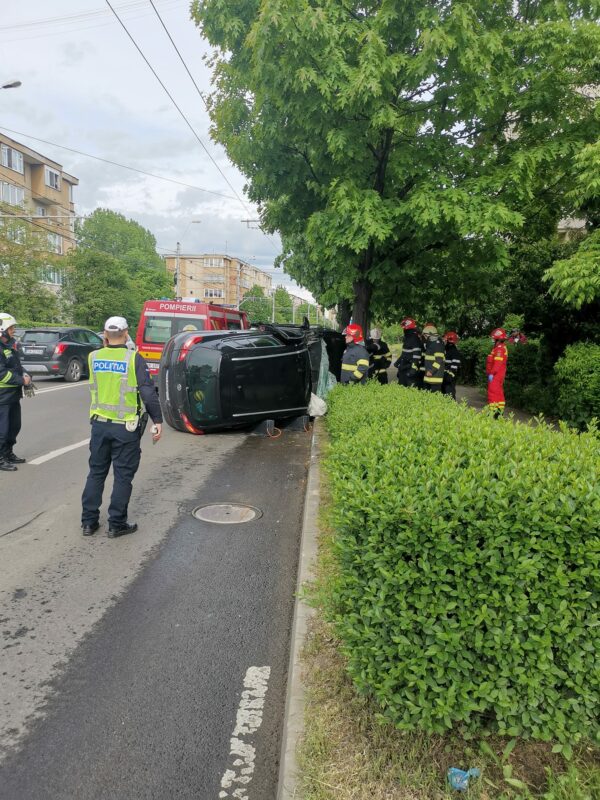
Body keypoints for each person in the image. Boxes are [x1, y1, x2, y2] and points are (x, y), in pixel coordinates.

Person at [81, 316, 163, 538]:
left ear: (105, 334)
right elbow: (147, 392)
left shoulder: (93, 357)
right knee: (123, 476)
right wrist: (158, 421)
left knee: (96, 472)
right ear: (126, 333)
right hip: (124, 428)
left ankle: (89, 523)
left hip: (98, 425)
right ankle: (116, 524)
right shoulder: (133, 358)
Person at [0, 313, 32, 472]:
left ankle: (8, 453)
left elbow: (16, 366)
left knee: (14, 426)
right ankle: (0, 458)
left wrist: (25, 374)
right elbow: (2, 374)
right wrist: (21, 380)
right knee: (2, 430)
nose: (13, 330)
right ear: (2, 329)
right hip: (2, 397)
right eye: (11, 327)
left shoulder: (9, 346)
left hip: (12, 395)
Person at [394, 317, 423, 388]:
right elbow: (404, 354)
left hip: (410, 369)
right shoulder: (407, 338)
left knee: (410, 391)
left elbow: (417, 356)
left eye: (404, 328)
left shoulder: (414, 338)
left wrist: (412, 370)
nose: (403, 329)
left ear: (408, 328)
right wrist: (398, 362)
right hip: (404, 368)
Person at [486, 327, 508, 417]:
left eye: (493, 338)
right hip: (498, 375)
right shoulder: (500, 348)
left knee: (493, 393)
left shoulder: (499, 349)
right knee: (499, 393)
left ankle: (493, 413)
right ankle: (499, 413)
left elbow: (497, 364)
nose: (492, 339)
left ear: (498, 338)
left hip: (496, 375)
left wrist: (492, 373)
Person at [421, 324, 445, 391]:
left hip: (435, 377)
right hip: (429, 376)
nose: (425, 337)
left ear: (430, 334)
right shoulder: (431, 344)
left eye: (425, 335)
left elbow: (439, 360)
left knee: (434, 396)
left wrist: (431, 371)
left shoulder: (438, 345)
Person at [442, 331, 461, 400]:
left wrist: (450, 375)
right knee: (447, 392)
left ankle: (450, 406)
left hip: (448, 375)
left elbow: (455, 365)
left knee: (448, 392)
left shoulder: (451, 350)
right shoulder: (449, 349)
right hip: (447, 375)